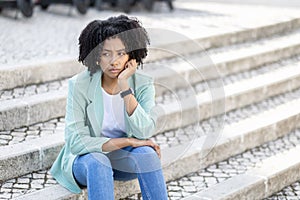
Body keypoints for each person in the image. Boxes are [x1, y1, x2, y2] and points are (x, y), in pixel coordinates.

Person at [50, 15, 168, 200]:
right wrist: (128, 142)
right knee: (99, 162)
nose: (114, 61)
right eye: (106, 54)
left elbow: (144, 130)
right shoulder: (80, 85)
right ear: (97, 56)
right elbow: (75, 141)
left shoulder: (143, 84)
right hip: (87, 160)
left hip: (121, 160)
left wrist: (124, 86)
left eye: (121, 53)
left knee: (147, 154)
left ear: (131, 55)